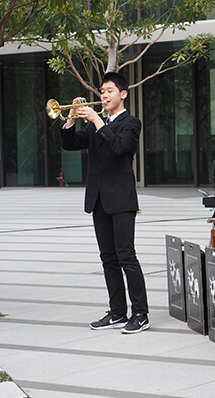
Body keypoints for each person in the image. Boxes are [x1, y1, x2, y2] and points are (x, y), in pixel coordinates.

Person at [61, 72, 150, 334]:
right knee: (108, 258)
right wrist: (70, 118)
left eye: (109, 90)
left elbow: (118, 148)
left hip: (121, 199)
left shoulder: (131, 123)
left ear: (123, 94)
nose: (104, 95)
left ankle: (141, 314)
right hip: (98, 198)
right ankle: (117, 312)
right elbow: (70, 144)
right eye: (102, 91)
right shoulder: (95, 124)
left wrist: (97, 120)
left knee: (127, 256)